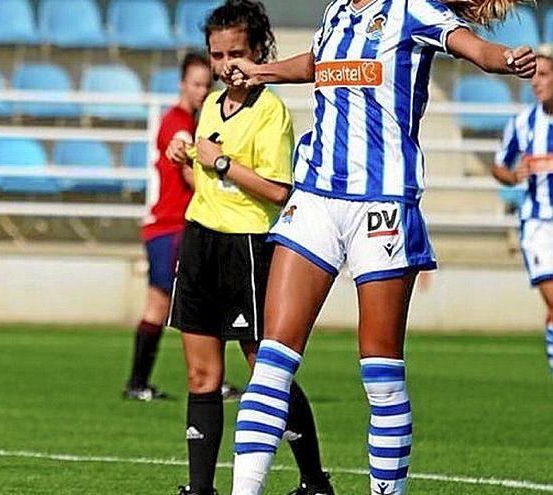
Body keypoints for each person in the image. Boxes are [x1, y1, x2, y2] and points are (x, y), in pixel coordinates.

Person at [222, 1, 536, 494]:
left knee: (381, 373)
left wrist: (503, 59)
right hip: (318, 196)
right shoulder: (338, 11)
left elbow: (471, 47)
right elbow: (318, 63)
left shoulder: (413, 9)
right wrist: (261, 72)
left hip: (382, 201)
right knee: (273, 359)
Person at [165, 2, 333, 494]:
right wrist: (186, 157)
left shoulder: (272, 111)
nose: (226, 65)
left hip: (248, 249)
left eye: (236, 52)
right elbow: (204, 177)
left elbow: (280, 190)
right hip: (200, 241)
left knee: (266, 369)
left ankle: (313, 479)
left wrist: (219, 164)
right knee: (201, 374)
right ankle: (199, 489)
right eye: (217, 55)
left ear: (259, 51)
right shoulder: (212, 104)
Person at [123, 52, 210, 401]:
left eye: (207, 84)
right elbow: (188, 170)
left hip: (171, 227)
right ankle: (139, 382)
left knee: (186, 302)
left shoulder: (189, 121)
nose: (202, 91)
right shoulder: (178, 123)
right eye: (196, 84)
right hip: (170, 226)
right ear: (182, 84)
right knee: (162, 305)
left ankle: (143, 382)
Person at [493, 43, 553, 379]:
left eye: (543, 75)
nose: (536, 82)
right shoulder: (522, 123)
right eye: (533, 76)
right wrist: (512, 175)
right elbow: (499, 165)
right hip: (538, 225)